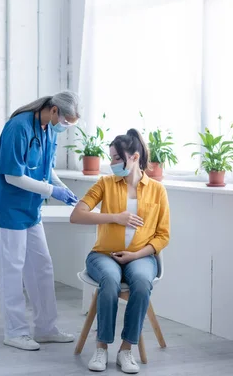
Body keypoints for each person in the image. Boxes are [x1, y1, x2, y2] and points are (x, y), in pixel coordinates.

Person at [0, 92, 81, 351]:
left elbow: (46, 169)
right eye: (67, 122)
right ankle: (14, 331)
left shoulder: (48, 129)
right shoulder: (18, 127)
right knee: (12, 270)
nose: (66, 128)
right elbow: (13, 176)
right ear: (54, 110)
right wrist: (52, 192)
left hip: (31, 209)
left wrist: (63, 188)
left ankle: (46, 328)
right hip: (9, 209)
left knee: (42, 267)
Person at [70, 129, 170, 374]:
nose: (112, 163)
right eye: (111, 157)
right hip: (103, 255)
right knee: (111, 279)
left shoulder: (157, 190)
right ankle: (102, 346)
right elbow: (77, 215)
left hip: (141, 256)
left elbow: (163, 235)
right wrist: (116, 217)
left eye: (116, 158)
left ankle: (126, 349)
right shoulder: (104, 183)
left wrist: (135, 256)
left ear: (134, 158)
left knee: (142, 281)